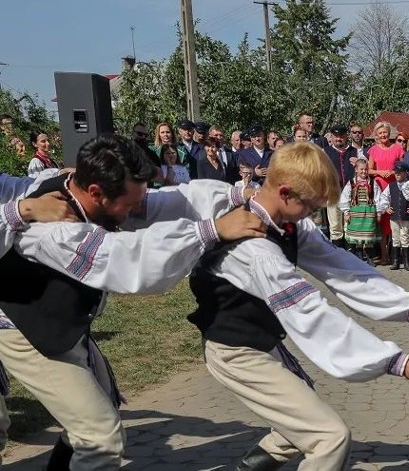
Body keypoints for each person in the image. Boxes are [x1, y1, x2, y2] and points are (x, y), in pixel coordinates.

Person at [0, 137, 263, 470]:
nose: (133, 213)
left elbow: (161, 202)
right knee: (100, 438)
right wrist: (210, 230)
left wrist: (235, 195)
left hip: (59, 324)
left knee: (96, 409)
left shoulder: (78, 189)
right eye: (127, 205)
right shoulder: (52, 229)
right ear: (95, 191)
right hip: (25, 331)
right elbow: (123, 259)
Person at [186, 142, 409, 470]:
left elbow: (340, 266)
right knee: (328, 437)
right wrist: (398, 362)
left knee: (297, 428)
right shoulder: (255, 252)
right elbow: (311, 313)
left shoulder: (288, 223)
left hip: (261, 343)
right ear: (286, 193)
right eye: (309, 206)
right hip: (235, 351)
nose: (312, 213)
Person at [367, 121, 405, 266]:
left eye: (385, 132)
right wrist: (379, 172)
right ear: (376, 135)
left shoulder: (397, 148)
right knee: (383, 224)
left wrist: (394, 171)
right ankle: (384, 256)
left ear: (389, 133)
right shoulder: (373, 150)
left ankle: (396, 256)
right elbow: (369, 170)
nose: (383, 135)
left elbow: (403, 167)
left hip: (395, 186)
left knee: (396, 221)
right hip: (380, 186)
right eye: (380, 133)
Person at [324, 124, 358, 249]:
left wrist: (358, 163)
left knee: (351, 224)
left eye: (341, 136)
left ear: (346, 136)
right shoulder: (325, 152)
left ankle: (351, 254)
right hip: (333, 194)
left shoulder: (355, 151)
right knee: (335, 226)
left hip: (351, 194)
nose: (339, 139)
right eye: (336, 136)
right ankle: (338, 253)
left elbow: (364, 169)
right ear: (331, 137)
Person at [376, 161, 409, 271]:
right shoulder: (391, 186)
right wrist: (386, 208)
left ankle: (407, 262)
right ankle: (396, 262)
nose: (397, 174)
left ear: (405, 173)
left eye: (400, 172)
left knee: (405, 238)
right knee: (395, 238)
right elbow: (384, 197)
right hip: (394, 217)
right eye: (396, 172)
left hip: (406, 216)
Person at [339, 159, 380, 263]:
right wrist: (346, 212)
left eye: (366, 169)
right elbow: (344, 198)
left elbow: (378, 197)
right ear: (356, 169)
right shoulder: (351, 183)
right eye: (361, 169)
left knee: (368, 236)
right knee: (357, 238)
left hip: (369, 212)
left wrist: (379, 212)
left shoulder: (372, 182)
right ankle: (360, 258)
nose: (364, 172)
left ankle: (370, 258)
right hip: (355, 213)